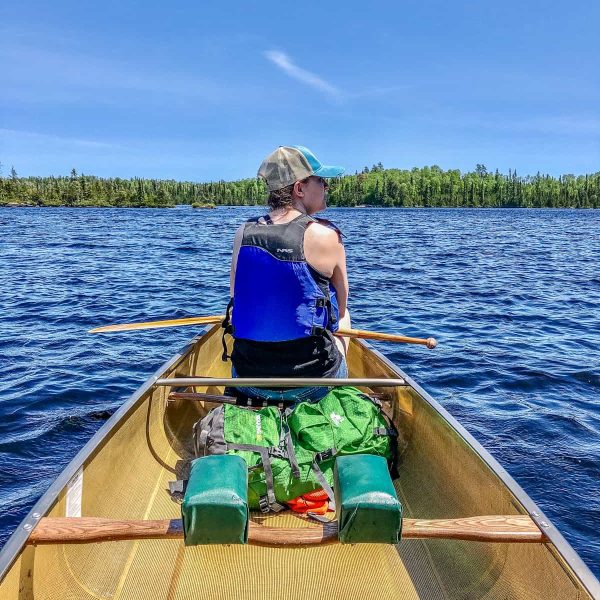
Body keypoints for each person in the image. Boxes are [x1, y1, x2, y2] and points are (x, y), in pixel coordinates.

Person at [223, 145, 351, 402]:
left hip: (248, 379)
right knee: (345, 317)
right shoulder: (327, 236)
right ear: (299, 188)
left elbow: (236, 295)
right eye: (322, 181)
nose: (327, 187)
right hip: (313, 383)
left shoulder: (243, 233)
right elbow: (342, 308)